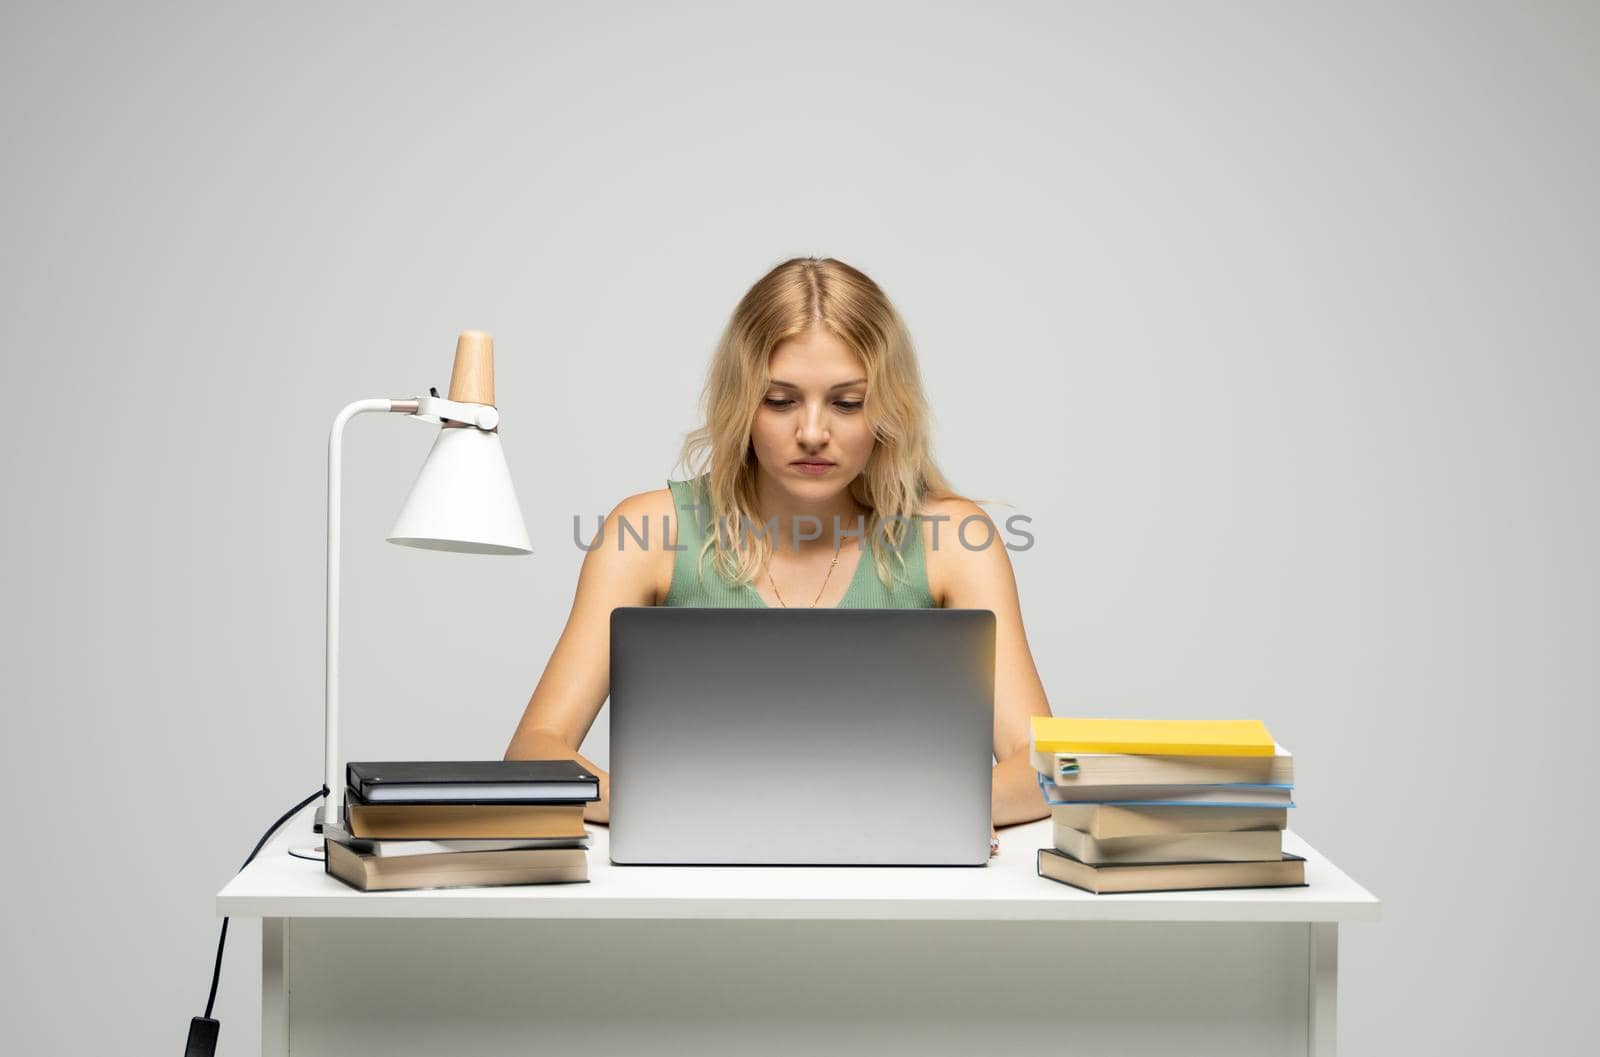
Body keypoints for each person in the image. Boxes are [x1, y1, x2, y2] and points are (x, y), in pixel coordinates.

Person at [504, 257, 1053, 854]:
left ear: (887, 409)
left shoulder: (952, 540)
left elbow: (1042, 766)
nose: (813, 432)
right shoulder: (647, 531)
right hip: (686, 884)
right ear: (743, 402)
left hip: (895, 887)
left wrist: (908, 812)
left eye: (847, 403)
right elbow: (536, 747)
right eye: (781, 400)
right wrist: (660, 808)